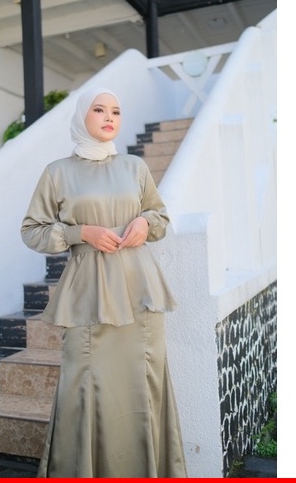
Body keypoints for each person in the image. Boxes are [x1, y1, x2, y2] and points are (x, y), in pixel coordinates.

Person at [21, 87, 188, 478]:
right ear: (83, 116)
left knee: (143, 385)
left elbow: (160, 218)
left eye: (116, 111)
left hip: (140, 293)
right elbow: (32, 231)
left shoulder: (135, 167)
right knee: (84, 384)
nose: (109, 117)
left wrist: (144, 222)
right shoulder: (58, 172)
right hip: (88, 294)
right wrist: (81, 233)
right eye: (99, 109)